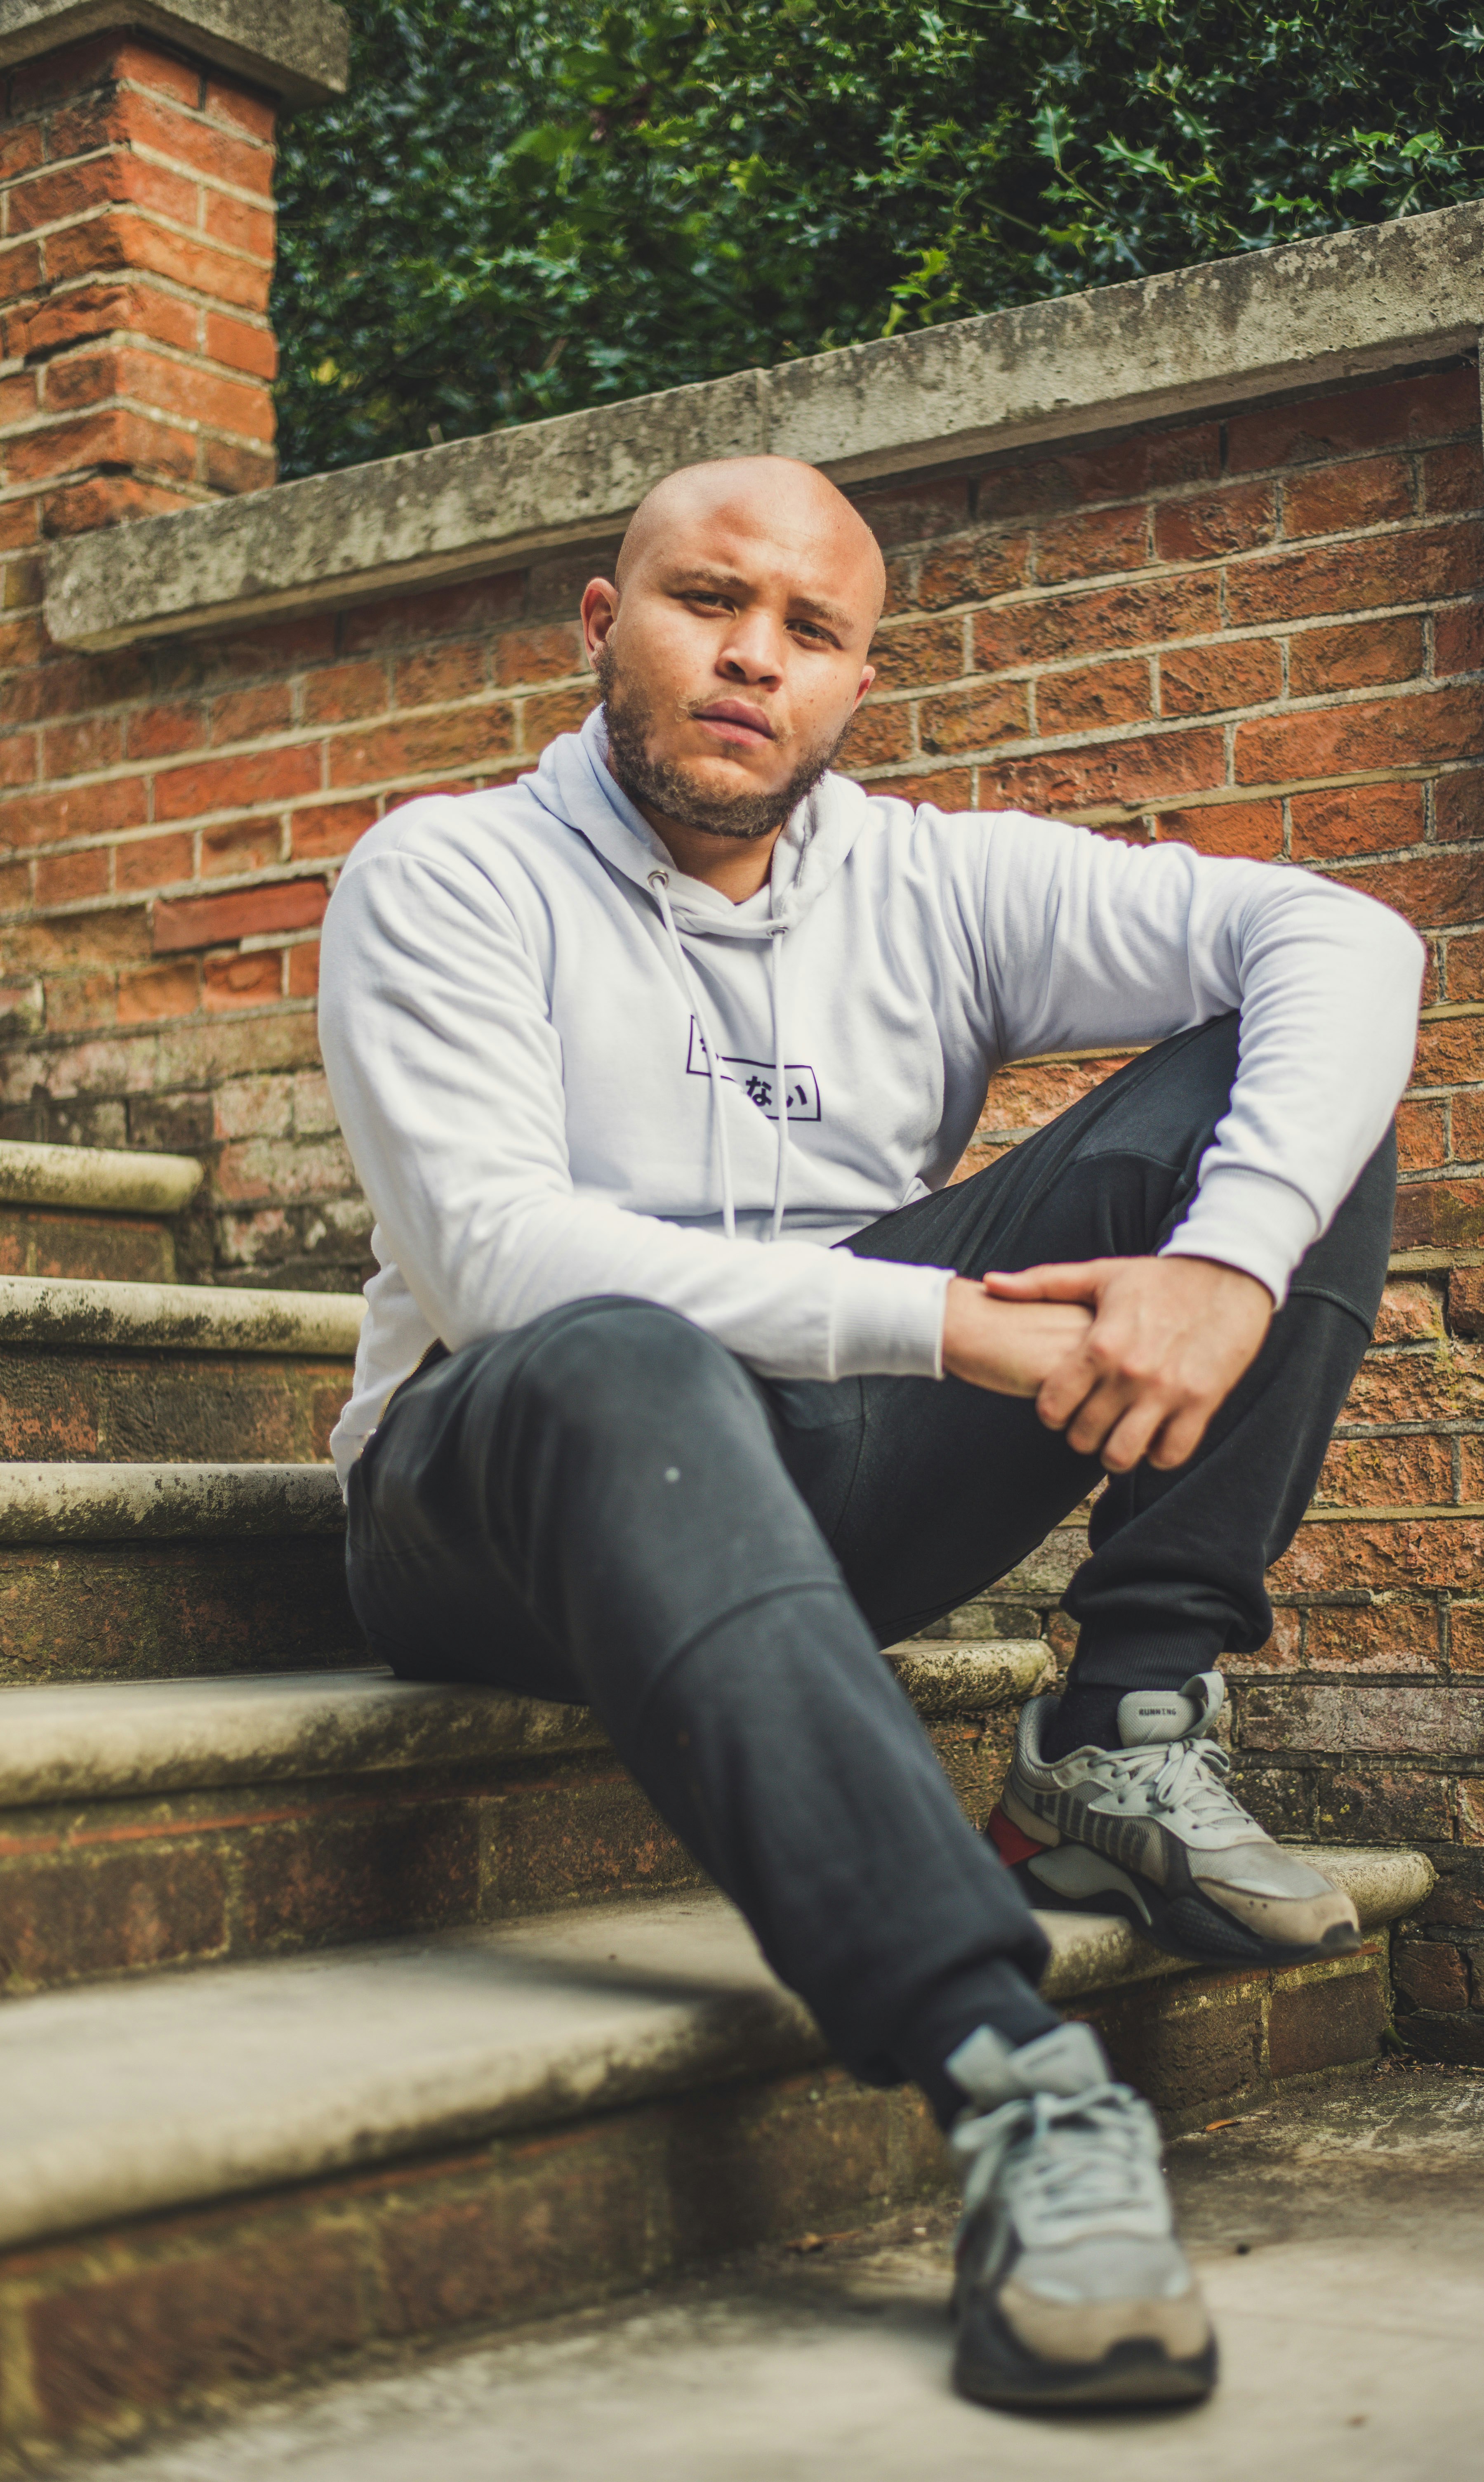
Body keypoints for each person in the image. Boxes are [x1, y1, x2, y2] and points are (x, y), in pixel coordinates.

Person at [318, 455, 1422, 2412]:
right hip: (492, 1495)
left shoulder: (927, 880)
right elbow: (496, 1259)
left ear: (853, 684)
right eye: (702, 602)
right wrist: (945, 1327)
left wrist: (1228, 1268)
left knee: (1286, 1111)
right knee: (615, 1337)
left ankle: (1121, 1733)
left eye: (808, 633)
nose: (750, 657)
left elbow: (1341, 937)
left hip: (839, 1471)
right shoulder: (448, 870)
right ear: (600, 625)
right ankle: (1009, 2079)